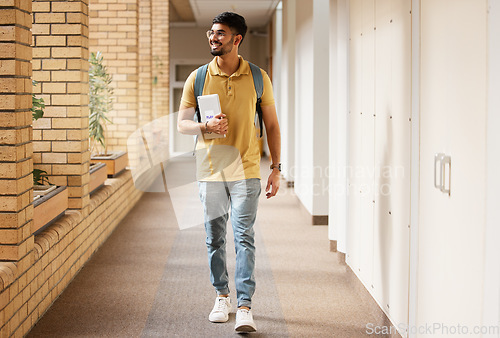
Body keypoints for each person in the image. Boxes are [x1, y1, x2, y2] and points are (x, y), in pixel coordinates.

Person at [177, 11, 281, 333]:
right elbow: (182, 124)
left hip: (247, 169)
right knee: (214, 238)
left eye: (220, 33)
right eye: (211, 33)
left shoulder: (259, 77)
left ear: (237, 39)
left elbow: (273, 126)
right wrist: (203, 126)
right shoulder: (197, 78)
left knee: (244, 237)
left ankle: (246, 304)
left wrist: (276, 168)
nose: (213, 38)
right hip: (209, 169)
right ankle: (222, 296)